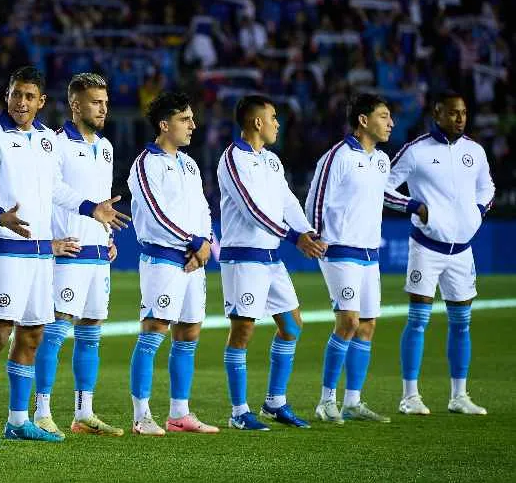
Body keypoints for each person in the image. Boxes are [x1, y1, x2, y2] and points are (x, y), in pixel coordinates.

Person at [0, 66, 129, 444]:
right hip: (7, 249)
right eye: (16, 94)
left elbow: (57, 190)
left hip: (40, 254)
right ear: (7, 96)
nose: (21, 102)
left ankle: (18, 420)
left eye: (29, 96)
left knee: (32, 335)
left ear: (41, 101)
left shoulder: (43, 139)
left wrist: (91, 209)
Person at [216, 95, 326, 431]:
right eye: (274, 117)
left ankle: (275, 402)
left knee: (292, 326)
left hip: (270, 258)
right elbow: (252, 210)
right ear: (257, 122)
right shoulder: (232, 158)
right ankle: (238, 411)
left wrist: (307, 231)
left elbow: (287, 202)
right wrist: (295, 238)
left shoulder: (271, 161)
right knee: (243, 331)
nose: (278, 123)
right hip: (243, 258)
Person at [385, 90, 495, 415]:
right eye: (453, 112)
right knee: (418, 320)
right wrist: (414, 206)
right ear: (437, 114)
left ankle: (459, 396)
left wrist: (478, 211)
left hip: (462, 251)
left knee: (462, 323)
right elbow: (383, 186)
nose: (460, 118)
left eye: (463, 113)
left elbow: (487, 187)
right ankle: (409, 397)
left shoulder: (475, 151)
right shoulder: (416, 151)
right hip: (426, 247)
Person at [308, 94, 416, 424]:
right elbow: (316, 198)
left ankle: (352, 402)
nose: (391, 123)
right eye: (384, 116)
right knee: (349, 322)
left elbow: (385, 194)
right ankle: (326, 401)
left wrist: (414, 205)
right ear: (363, 120)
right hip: (339, 249)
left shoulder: (381, 160)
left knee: (367, 326)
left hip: (370, 252)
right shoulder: (337, 157)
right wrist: (315, 234)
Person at [32, 73, 123, 438]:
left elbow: (103, 200)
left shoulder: (106, 147)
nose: (103, 108)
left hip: (98, 253)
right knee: (55, 331)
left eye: (105, 102)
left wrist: (107, 235)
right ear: (75, 104)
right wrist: (49, 241)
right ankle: (41, 412)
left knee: (91, 333)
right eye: (95, 102)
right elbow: (48, 191)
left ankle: (83, 413)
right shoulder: (54, 144)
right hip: (68, 250)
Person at [126, 91, 220, 436]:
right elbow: (156, 212)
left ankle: (179, 414)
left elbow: (204, 207)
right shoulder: (146, 164)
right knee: (154, 331)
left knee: (189, 332)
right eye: (185, 119)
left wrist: (205, 240)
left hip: (194, 261)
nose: (193, 125)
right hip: (163, 258)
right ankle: (141, 416)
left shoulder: (189, 163)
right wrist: (194, 241)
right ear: (164, 125)